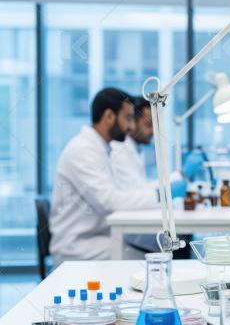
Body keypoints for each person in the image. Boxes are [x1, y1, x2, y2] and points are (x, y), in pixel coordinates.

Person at [49, 88, 186, 265]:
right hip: (79, 245)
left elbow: (123, 192)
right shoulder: (83, 151)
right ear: (109, 116)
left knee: (157, 256)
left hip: (98, 237)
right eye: (128, 118)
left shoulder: (102, 149)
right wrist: (161, 195)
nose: (131, 126)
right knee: (151, 265)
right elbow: (109, 201)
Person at [109, 96, 203, 258]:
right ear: (133, 122)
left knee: (183, 235)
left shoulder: (135, 150)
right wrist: (175, 181)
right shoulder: (120, 150)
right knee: (181, 238)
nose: (153, 131)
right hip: (129, 233)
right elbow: (137, 192)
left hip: (137, 221)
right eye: (148, 125)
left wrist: (177, 178)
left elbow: (142, 187)